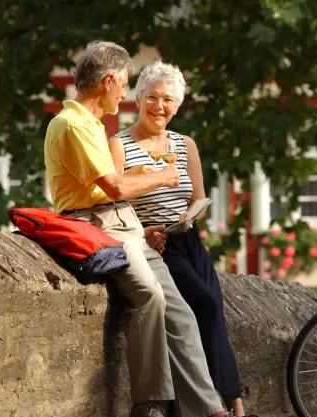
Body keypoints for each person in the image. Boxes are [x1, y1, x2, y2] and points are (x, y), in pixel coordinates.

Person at [44, 41, 226, 417]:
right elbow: (115, 187)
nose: (125, 93)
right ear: (108, 80)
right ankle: (149, 404)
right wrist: (163, 176)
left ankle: (210, 411)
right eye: (125, 84)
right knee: (150, 298)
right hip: (95, 224)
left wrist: (142, 228)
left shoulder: (91, 123)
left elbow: (112, 192)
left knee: (182, 313)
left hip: (121, 222)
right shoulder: (72, 124)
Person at [108, 60, 256, 417]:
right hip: (154, 243)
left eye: (169, 100)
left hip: (189, 239)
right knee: (200, 307)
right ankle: (214, 406)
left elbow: (199, 199)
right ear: (139, 97)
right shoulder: (119, 144)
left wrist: (190, 217)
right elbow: (113, 202)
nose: (160, 106)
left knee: (215, 313)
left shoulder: (185, 144)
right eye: (153, 97)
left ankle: (234, 403)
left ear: (179, 104)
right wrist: (145, 230)